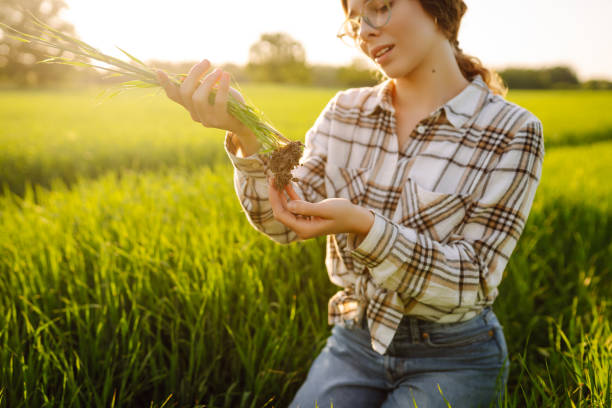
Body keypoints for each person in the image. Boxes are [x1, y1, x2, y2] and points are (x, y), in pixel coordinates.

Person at [157, 0, 545, 406]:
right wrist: (245, 134)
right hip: (354, 342)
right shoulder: (344, 112)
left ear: (438, 8)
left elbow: (474, 279)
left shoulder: (513, 131)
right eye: (355, 20)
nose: (364, 32)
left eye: (379, 7)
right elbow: (282, 221)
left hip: (454, 355)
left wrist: (366, 227)